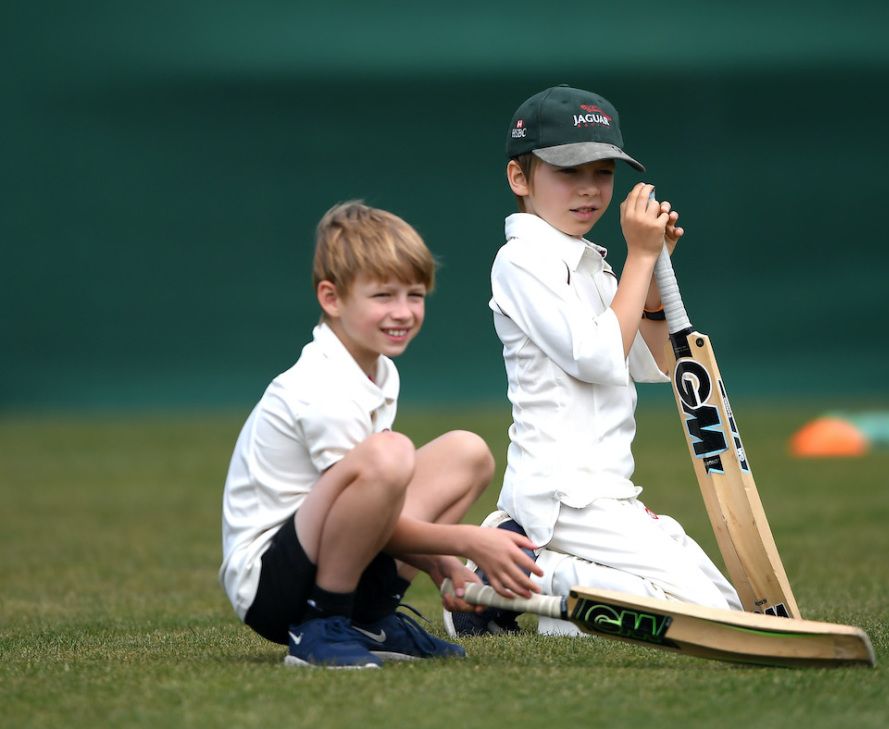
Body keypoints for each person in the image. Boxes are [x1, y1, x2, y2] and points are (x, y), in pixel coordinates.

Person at [446, 85, 740, 637]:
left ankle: (516, 572)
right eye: (567, 172)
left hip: (606, 492)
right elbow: (598, 358)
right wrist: (640, 255)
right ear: (519, 179)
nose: (589, 190)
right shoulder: (521, 258)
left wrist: (651, 275)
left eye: (603, 172)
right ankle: (496, 579)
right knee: (710, 618)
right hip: (563, 495)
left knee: (718, 600)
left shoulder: (593, 265)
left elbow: (656, 363)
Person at [219, 200, 541, 668]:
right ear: (332, 299)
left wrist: (439, 565)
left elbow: (373, 511)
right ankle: (320, 626)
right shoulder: (322, 386)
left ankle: (369, 620)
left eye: (415, 294)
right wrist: (467, 543)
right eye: (383, 296)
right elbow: (369, 505)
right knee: (390, 455)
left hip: (328, 552)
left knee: (467, 453)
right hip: (272, 587)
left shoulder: (379, 370)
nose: (404, 311)